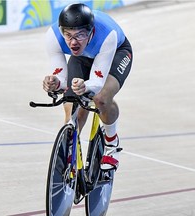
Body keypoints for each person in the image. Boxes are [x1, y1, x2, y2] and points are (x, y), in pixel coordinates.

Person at [43, 3, 132, 171]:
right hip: (83, 56)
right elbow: (61, 78)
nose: (73, 42)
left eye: (80, 35)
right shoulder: (54, 36)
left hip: (116, 53)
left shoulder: (107, 35)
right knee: (72, 106)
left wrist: (85, 86)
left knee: (101, 98)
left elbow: (97, 84)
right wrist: (54, 82)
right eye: (68, 35)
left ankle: (112, 143)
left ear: (91, 31)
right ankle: (70, 155)